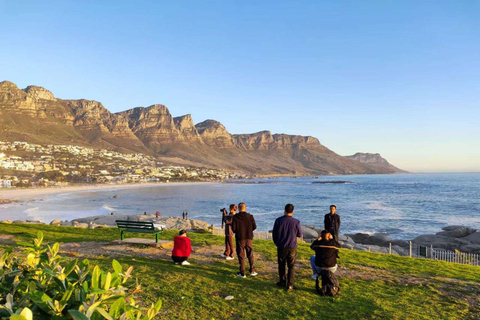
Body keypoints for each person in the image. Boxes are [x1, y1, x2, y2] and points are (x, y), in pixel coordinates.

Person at [272, 204, 302, 291]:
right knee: (291, 266)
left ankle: (282, 281)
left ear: (284, 210)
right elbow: (299, 234)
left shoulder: (278, 221)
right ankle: (290, 284)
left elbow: (274, 234)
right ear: (292, 211)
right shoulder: (296, 222)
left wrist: (277, 243)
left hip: (281, 246)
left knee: (281, 264)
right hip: (292, 246)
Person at [231, 202, 257, 278]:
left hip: (240, 238)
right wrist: (249, 230)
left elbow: (234, 229)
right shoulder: (250, 216)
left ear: (238, 208)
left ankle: (242, 272)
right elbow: (254, 227)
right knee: (250, 254)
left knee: (241, 255)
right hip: (249, 237)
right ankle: (252, 270)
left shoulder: (235, 217)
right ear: (245, 208)